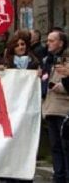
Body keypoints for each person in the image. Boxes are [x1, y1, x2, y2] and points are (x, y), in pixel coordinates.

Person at [41, 30, 69, 183]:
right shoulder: (47, 61)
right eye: (48, 40)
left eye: (52, 40)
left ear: (61, 43)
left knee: (65, 148)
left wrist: (63, 87)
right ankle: (58, 177)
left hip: (63, 109)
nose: (48, 43)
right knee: (55, 148)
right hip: (50, 108)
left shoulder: (66, 60)